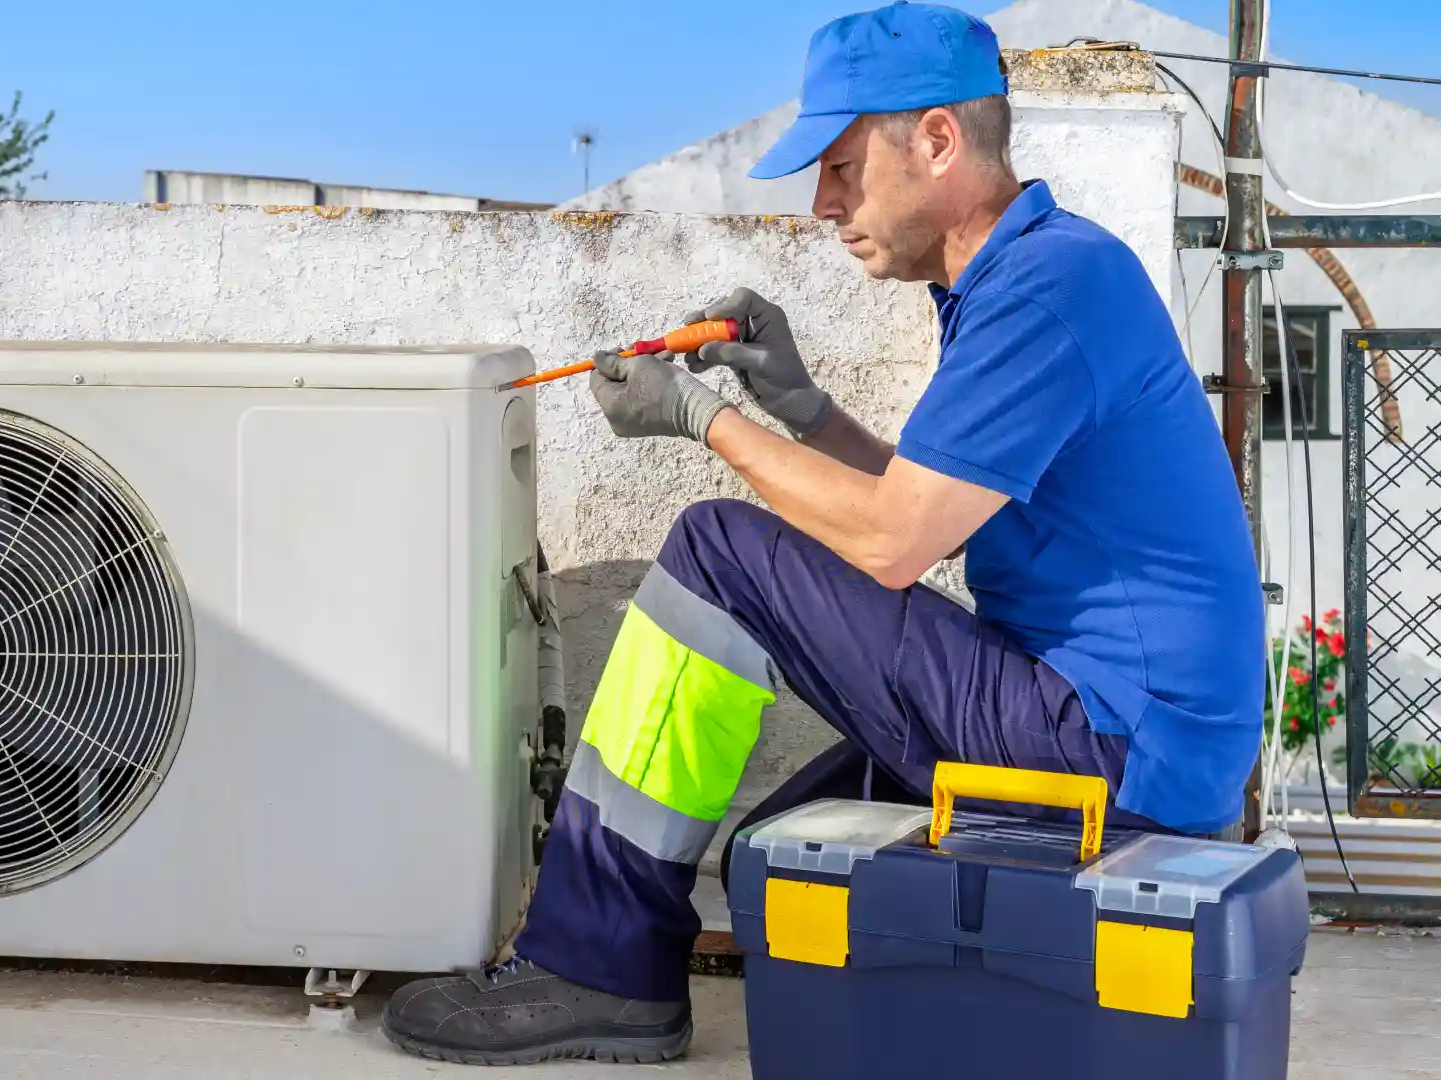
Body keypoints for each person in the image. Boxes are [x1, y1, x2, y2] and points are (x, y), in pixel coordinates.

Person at [381, 0, 1264, 1066]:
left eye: (843, 167)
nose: (820, 203)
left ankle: (595, 962)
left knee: (717, 549)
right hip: (1120, 736)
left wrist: (702, 418)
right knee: (780, 850)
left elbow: (894, 544)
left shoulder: (1048, 287)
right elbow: (930, 507)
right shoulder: (1028, 274)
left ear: (937, 141)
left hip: (1117, 749)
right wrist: (801, 406)